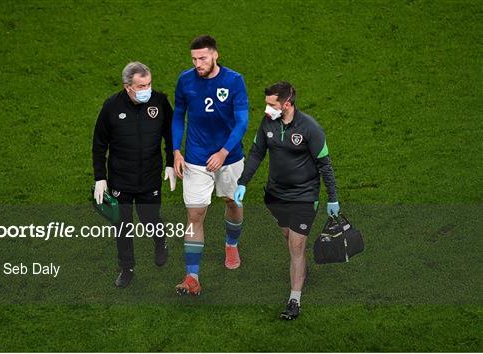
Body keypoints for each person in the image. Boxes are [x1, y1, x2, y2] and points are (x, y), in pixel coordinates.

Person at [234, 81, 340, 320]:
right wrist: (242, 182)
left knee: (296, 246)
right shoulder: (267, 123)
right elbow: (257, 153)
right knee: (289, 239)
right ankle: (301, 268)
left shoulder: (310, 128)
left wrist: (332, 198)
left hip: (303, 197)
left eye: (271, 105)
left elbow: (325, 165)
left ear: (287, 104)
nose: (266, 110)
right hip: (275, 196)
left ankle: (294, 300)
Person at [172, 35, 249, 295]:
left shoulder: (234, 81)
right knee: (194, 215)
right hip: (195, 159)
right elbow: (178, 117)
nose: (198, 63)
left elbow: (242, 122)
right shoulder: (185, 80)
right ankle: (192, 276)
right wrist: (176, 151)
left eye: (203, 58)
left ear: (215, 54)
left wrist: (224, 152)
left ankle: (231, 244)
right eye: (194, 59)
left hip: (230, 157)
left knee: (233, 203)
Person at [92, 62, 177, 288]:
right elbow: (99, 144)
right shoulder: (111, 107)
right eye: (141, 86)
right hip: (121, 179)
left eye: (149, 84)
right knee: (122, 226)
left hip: (150, 177)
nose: (146, 90)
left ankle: (160, 240)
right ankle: (127, 268)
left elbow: (171, 134)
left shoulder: (159, 102)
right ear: (127, 86)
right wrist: (100, 178)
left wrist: (170, 163)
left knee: (149, 218)